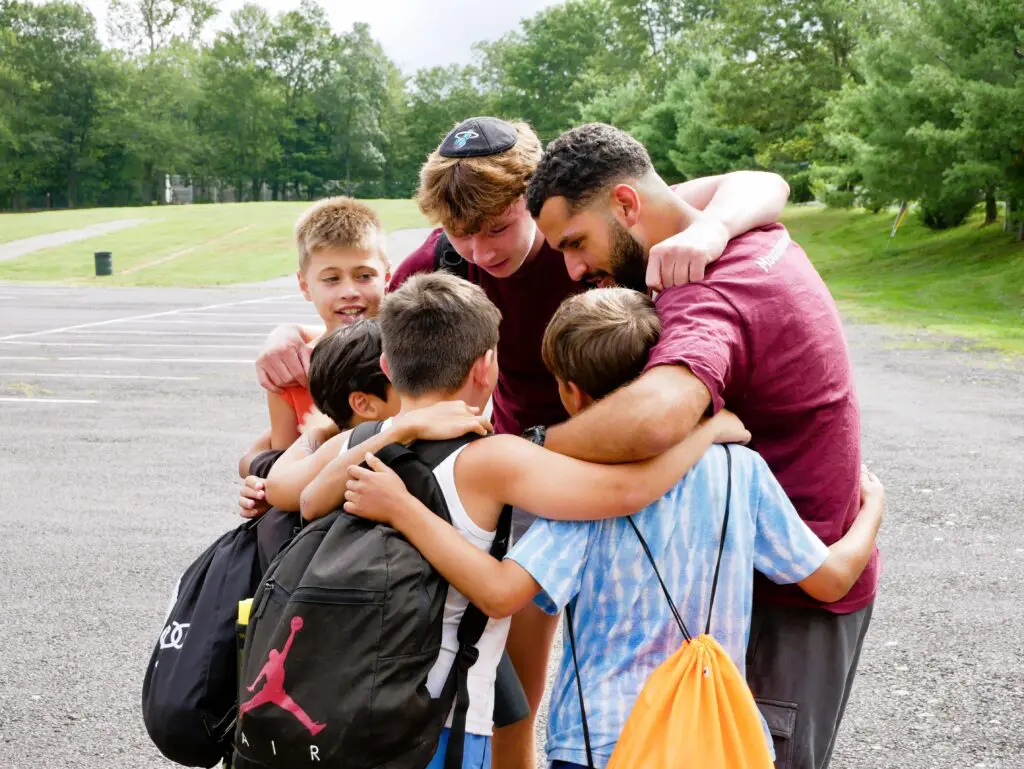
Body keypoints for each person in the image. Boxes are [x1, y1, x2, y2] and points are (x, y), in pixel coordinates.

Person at [253, 117, 792, 766]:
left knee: (543, 681)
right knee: (485, 671)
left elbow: (762, 181)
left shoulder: (588, 229)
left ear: (536, 201)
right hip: (492, 475)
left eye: (498, 227)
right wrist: (290, 335)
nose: (479, 251)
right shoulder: (439, 261)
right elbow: (381, 338)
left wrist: (713, 228)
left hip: (588, 460)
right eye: (460, 233)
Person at [342, 287, 887, 769]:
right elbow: (831, 580)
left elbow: (504, 591)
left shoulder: (578, 487)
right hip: (718, 738)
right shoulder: (741, 470)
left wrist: (403, 509)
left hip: (599, 741)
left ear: (571, 393)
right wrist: (873, 510)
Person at [524, 123, 876, 769]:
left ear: (627, 204)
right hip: (773, 566)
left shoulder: (703, 295)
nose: (573, 270)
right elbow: (766, 181)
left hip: (788, 594)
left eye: (575, 243)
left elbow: (655, 417)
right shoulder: (737, 232)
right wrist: (713, 227)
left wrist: (529, 449)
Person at [299, 273, 750, 768]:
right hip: (437, 714)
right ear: (486, 368)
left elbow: (305, 501)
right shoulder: (495, 459)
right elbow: (627, 491)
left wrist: (395, 428)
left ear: (386, 365)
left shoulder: (364, 441)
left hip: (343, 692)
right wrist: (704, 433)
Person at [237, 197, 390, 517]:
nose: (349, 290)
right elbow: (280, 460)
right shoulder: (287, 369)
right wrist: (261, 488)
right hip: (313, 529)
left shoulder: (404, 354)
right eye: (331, 279)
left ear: (387, 276)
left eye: (364, 276)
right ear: (305, 285)